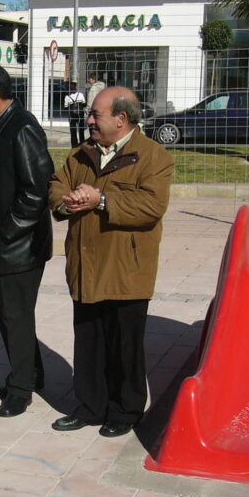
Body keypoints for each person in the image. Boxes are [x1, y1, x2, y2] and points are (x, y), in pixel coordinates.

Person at [48, 86, 173, 437]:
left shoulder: (154, 157)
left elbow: (150, 207)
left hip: (125, 269)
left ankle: (126, 410)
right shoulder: (81, 154)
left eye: (95, 115)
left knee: (125, 345)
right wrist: (67, 200)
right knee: (88, 342)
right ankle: (90, 406)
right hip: (85, 265)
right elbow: (57, 185)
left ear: (121, 119)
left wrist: (100, 200)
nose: (89, 120)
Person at [0, 63, 54, 418]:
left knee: (16, 318)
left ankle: (21, 390)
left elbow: (38, 189)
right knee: (9, 317)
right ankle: (30, 374)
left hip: (18, 246)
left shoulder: (21, 129)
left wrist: (8, 230)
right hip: (0, 241)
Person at [64, 81, 87, 148]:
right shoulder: (81, 95)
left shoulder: (67, 97)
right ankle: (82, 145)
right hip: (80, 115)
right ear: (76, 87)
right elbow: (84, 104)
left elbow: (65, 107)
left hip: (72, 116)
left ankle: (74, 146)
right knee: (81, 130)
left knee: (73, 131)